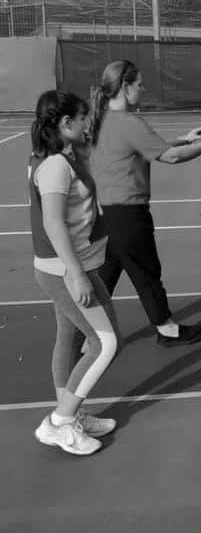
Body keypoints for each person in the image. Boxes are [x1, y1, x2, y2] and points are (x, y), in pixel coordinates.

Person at [89, 60, 201, 347]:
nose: (143, 88)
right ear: (125, 87)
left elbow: (150, 147)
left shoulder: (104, 120)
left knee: (105, 278)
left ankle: (85, 333)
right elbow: (170, 157)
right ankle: (167, 329)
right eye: (139, 84)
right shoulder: (127, 122)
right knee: (147, 273)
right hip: (128, 215)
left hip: (108, 216)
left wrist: (184, 139)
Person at [29, 90, 119, 456]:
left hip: (64, 267)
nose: (86, 125)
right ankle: (60, 422)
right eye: (81, 119)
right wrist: (76, 273)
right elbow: (53, 223)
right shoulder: (55, 166)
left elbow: (90, 140)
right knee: (105, 343)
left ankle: (71, 409)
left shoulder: (58, 156)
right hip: (65, 270)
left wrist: (97, 106)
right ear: (65, 123)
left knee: (68, 336)